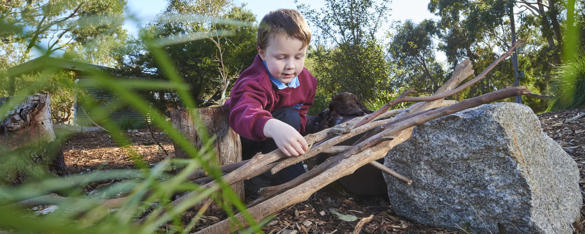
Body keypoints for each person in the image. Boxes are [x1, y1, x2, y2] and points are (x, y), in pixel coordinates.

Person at [226, 9, 317, 191]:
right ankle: (255, 181)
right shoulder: (254, 81)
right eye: (281, 57)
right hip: (245, 139)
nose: (291, 66)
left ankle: (285, 176)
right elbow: (244, 111)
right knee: (287, 118)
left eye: (299, 57)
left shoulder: (307, 81)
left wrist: (293, 132)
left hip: (277, 138)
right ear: (262, 53)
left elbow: (302, 109)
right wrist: (273, 126)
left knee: (292, 118)